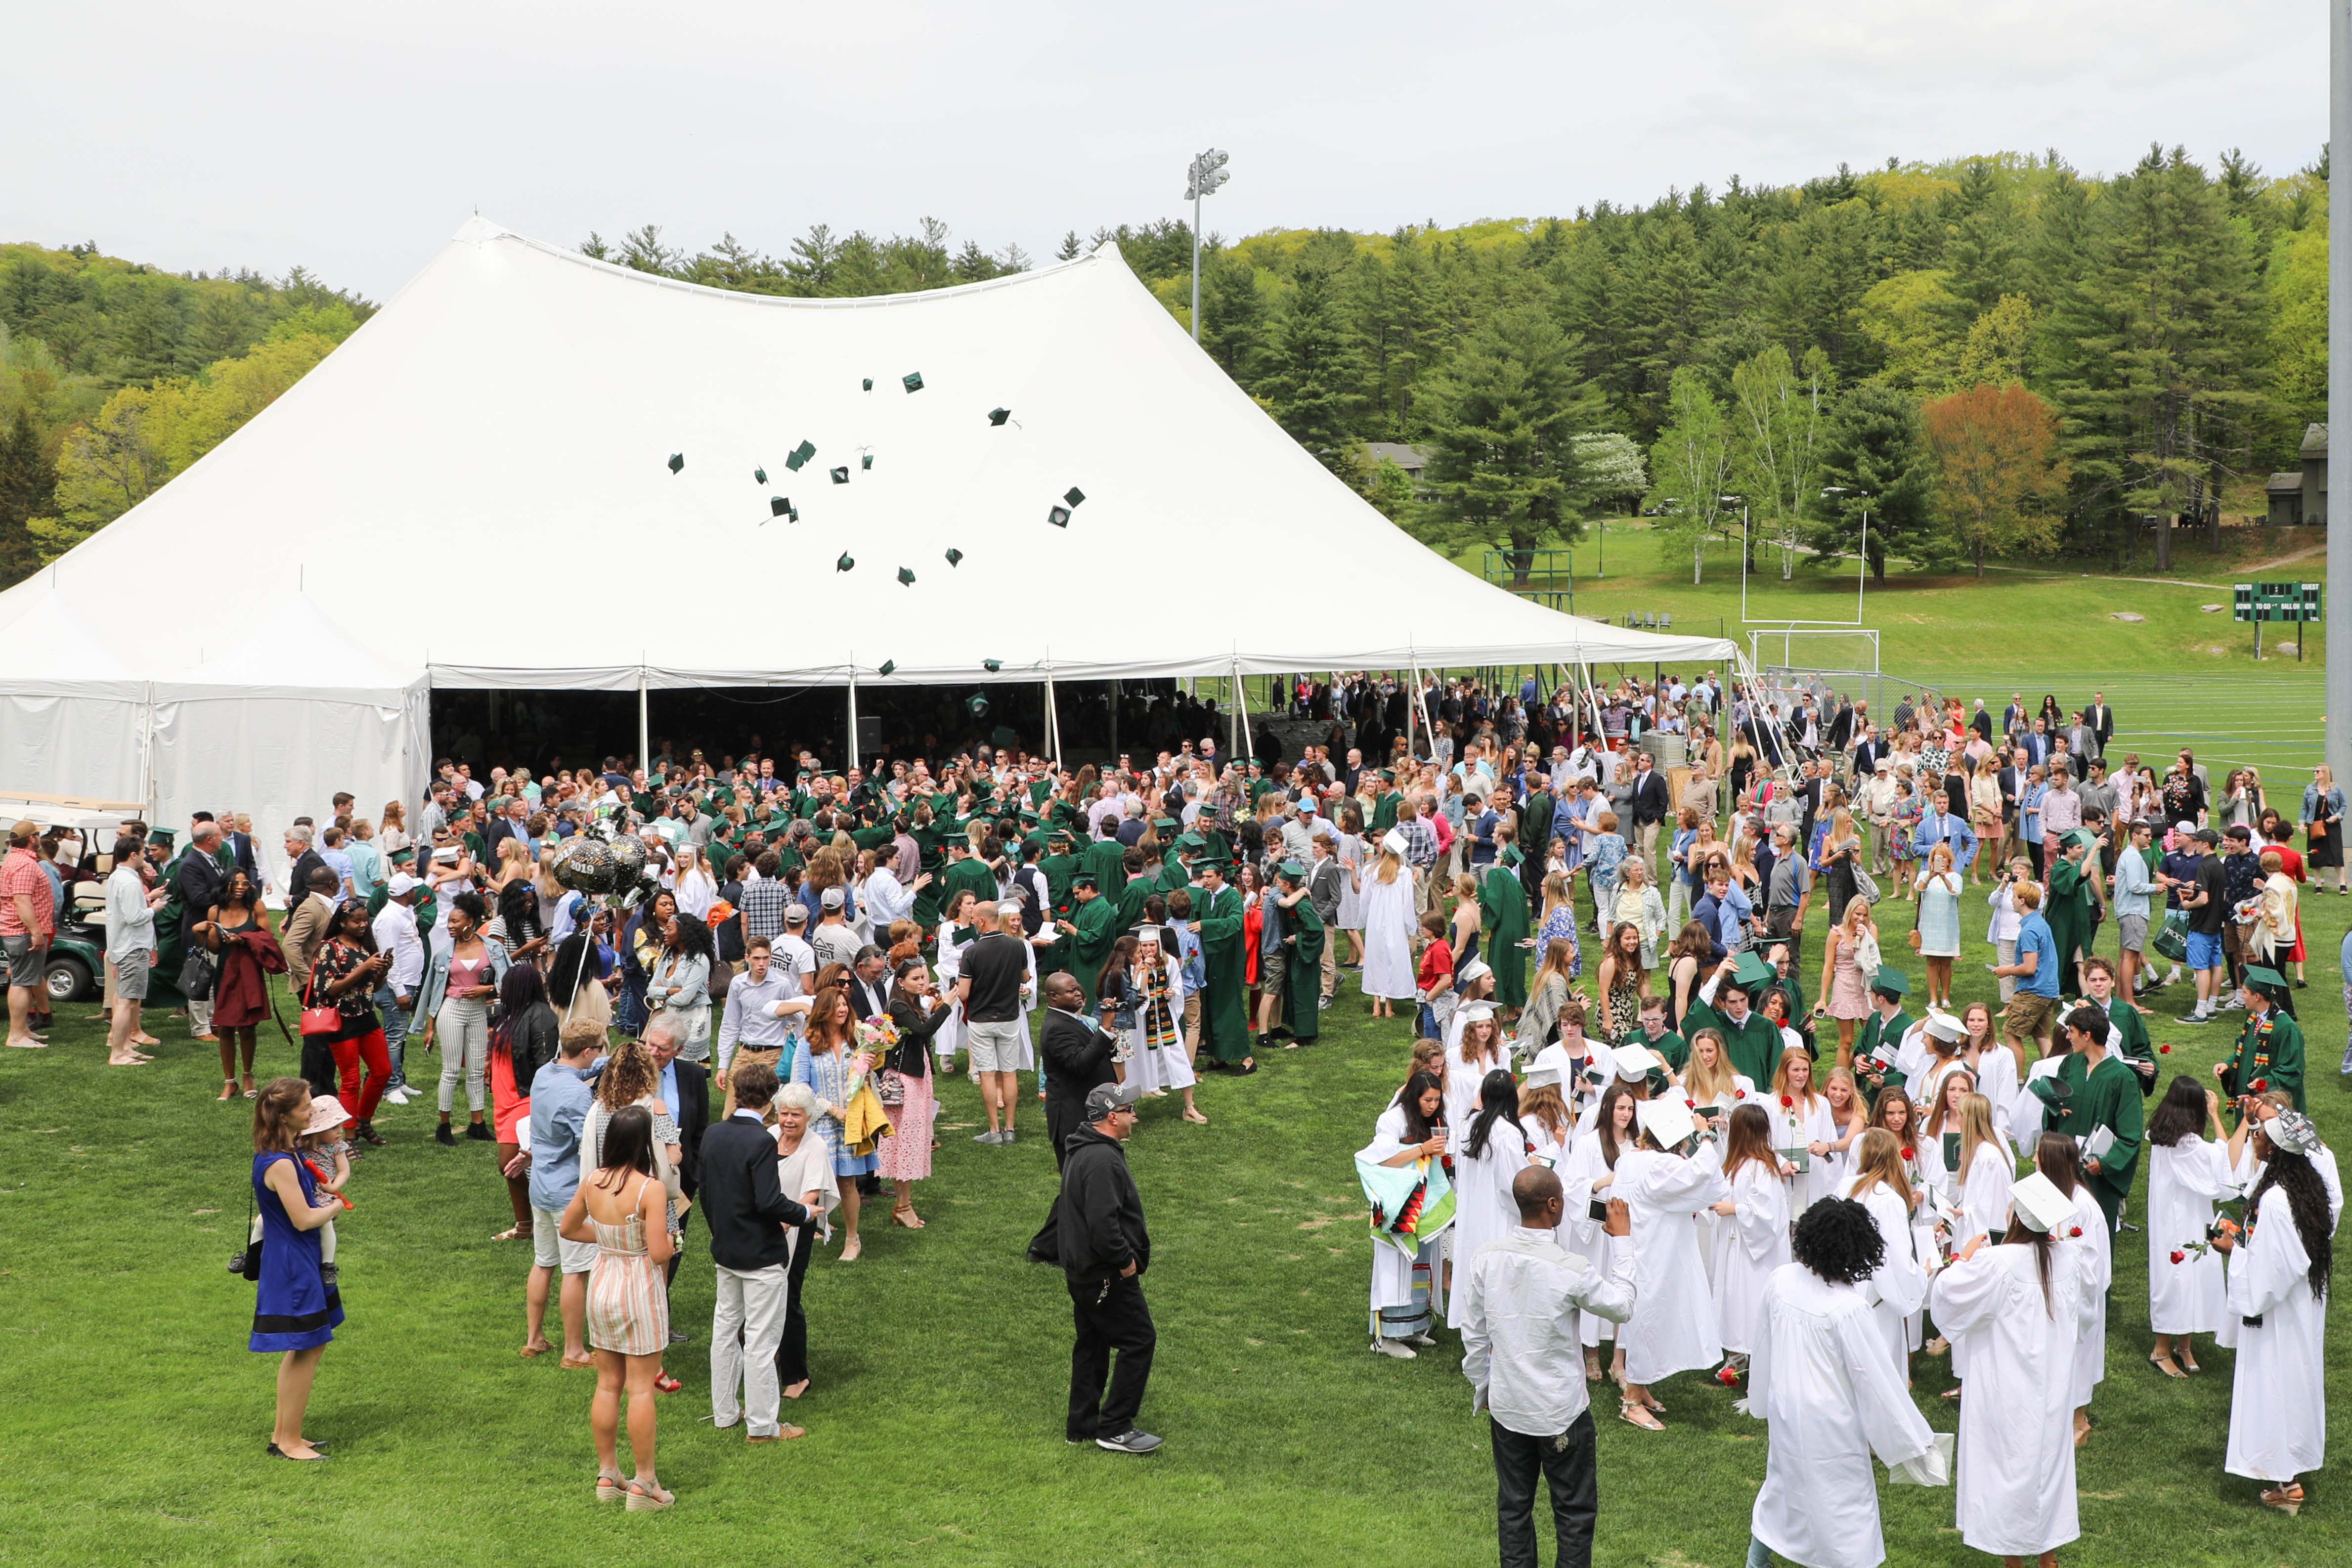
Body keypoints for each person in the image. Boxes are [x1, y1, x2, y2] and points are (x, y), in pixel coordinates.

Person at [1742, 1198, 1944, 1568]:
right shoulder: (1847, 1309)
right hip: (1831, 1425)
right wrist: (1915, 1441)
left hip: (1787, 1407)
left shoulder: (1782, 1279)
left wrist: (1763, 1398)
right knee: (1844, 1511)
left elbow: (1764, 1343)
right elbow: (1876, 1381)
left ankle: (1757, 1560)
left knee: (1782, 1485)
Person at [1457, 1166, 1636, 1568]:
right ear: (1553, 1205)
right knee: (1573, 1514)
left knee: (1514, 1509)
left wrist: (1484, 1386)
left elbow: (1473, 1333)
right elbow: (1623, 1306)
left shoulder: (1487, 1257)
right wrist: (1623, 1243)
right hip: (1560, 1412)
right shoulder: (1569, 1267)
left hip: (1508, 1407)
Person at [1927, 1171, 2091, 1566]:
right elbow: (2082, 1319)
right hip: (2051, 1386)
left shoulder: (1994, 1263)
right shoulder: (2069, 1260)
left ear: (2015, 1217)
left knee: (2005, 1466)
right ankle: (2047, 1557)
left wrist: (1963, 1257)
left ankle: (2013, 1560)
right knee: (2047, 1466)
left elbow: (1948, 1298)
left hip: (2006, 1386)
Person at [2212, 1108, 2332, 1515]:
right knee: (2292, 1383)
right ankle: (2288, 1472)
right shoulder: (2302, 1186)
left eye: (2260, 1134)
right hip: (2298, 1307)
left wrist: (2235, 1252)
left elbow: (2275, 1270)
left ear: (2277, 1148)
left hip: (2280, 1312)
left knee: (2277, 1386)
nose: (2254, 1138)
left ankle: (2287, 1482)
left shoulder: (2280, 1199)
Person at [559, 1104, 677, 1509]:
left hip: (603, 1281)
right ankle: (645, 1483)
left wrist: (610, 1238)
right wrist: (669, 1244)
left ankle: (608, 1474)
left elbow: (569, 1228)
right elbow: (660, 1251)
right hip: (638, 1286)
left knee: (607, 1385)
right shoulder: (651, 1188)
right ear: (644, 1142)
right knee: (641, 1387)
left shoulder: (593, 1180)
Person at [700, 1056, 817, 1445]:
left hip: (726, 1249)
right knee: (761, 1341)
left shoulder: (714, 1134)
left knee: (725, 1331)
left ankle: (724, 1412)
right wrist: (804, 1212)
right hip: (762, 1255)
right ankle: (764, 1426)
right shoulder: (760, 1141)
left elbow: (707, 1192)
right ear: (769, 1100)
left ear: (735, 1092)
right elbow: (770, 1201)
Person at [1046, 1080, 1160, 1454]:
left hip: (1084, 1272)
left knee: (1092, 1345)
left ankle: (1081, 1426)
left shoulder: (1085, 1150)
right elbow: (1104, 1225)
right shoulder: (1101, 1160)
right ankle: (1115, 1427)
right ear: (1112, 1117)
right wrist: (1126, 1263)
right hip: (1105, 1274)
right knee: (1139, 1339)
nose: (1134, 1117)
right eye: (1129, 1111)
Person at [1607, 1098, 1727, 1429]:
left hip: (1646, 1247)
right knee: (1651, 1320)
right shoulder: (1659, 1165)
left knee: (1650, 1319)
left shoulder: (1632, 1159)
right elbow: (1702, 1172)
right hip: (1655, 1253)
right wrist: (1707, 1137)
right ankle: (1631, 1400)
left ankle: (1641, 1386)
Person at [247, 1077, 347, 1462]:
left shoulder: (284, 1153)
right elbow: (304, 1219)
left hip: (297, 1259)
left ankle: (286, 1434)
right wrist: (336, 1207)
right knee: (307, 1346)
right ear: (285, 1116)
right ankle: (288, 1441)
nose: (312, 1112)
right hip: (293, 1265)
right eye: (305, 1108)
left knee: (309, 1345)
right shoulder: (280, 1164)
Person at [517, 1019, 607, 1368]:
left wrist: (609, 1061)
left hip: (539, 1184)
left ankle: (534, 1339)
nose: (601, 1054)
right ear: (587, 1050)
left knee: (543, 1262)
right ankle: (575, 1351)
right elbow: (587, 1143)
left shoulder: (546, 1073)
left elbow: (583, 1070)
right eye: (600, 1049)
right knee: (576, 1271)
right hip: (568, 1191)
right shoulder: (577, 1095)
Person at [2143, 1075, 2235, 1378]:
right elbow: (2226, 1159)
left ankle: (2184, 1345)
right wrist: (2215, 1114)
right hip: (2182, 1219)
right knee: (2177, 1277)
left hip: (2179, 1217)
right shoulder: (2190, 1145)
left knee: (2189, 1276)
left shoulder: (2161, 1135)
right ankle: (2161, 1350)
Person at [1362, 1068, 1451, 1358]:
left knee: (1420, 1264)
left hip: (1422, 1206)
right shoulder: (1392, 1120)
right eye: (1427, 1100)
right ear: (1414, 1098)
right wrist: (1423, 1149)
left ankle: (1414, 1326)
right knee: (1395, 1266)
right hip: (1397, 1207)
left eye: (1437, 1100)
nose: (1433, 1106)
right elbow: (1384, 1160)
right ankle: (1385, 1336)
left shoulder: (1434, 1120)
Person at [1710, 1103, 1791, 1376]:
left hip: (1755, 1250)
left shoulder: (1763, 1168)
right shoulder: (1738, 1163)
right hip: (1736, 1241)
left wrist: (1733, 1209)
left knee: (1751, 1299)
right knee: (1734, 1297)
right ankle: (1737, 1353)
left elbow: (1766, 1212)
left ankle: (1759, 1358)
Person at [769, 1081, 833, 1401]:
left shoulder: (816, 1146)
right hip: (766, 1227)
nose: (789, 1121)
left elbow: (813, 1191)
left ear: (808, 1117)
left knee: (789, 1295)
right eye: (784, 1113)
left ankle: (797, 1375)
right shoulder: (767, 1138)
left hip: (798, 1225)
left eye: (796, 1114)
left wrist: (787, 1219)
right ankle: (770, 1354)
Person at [879, 955, 951, 1227]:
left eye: (924, 977)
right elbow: (922, 1031)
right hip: (904, 1081)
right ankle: (904, 1206)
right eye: (916, 978)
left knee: (909, 1142)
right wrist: (948, 1006)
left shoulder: (909, 1003)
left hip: (916, 1077)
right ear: (901, 982)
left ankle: (903, 1204)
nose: (922, 982)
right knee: (903, 1143)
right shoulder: (898, 1005)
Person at [958, 899, 1032, 1144]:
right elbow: (1025, 976)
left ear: (981, 920)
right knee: (1010, 1074)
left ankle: (994, 1131)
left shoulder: (972, 952)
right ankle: (1010, 1129)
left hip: (981, 1019)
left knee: (988, 1075)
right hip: (1010, 1017)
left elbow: (964, 993)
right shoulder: (1017, 946)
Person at [1121, 926, 1206, 1125]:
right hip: (1143, 1023)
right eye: (1144, 945)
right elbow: (1137, 994)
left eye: (1152, 945)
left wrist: (1172, 993)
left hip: (1165, 1018)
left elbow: (1176, 984)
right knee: (1136, 1062)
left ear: (1159, 946)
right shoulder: (1135, 966)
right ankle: (1127, 1108)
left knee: (1178, 1058)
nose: (1148, 949)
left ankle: (1190, 1107)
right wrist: (1145, 970)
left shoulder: (1169, 964)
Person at [1453, 1069, 1531, 1264]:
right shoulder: (1508, 1133)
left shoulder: (1469, 1125)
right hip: (1498, 1213)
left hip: (1471, 1206)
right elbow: (1513, 1181)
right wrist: (1533, 1168)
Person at [102, 835, 167, 1067]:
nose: (146, 856)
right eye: (143, 852)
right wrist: (155, 909)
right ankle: (118, 1053)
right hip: (132, 947)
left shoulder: (118, 877)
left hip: (124, 945)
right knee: (127, 1002)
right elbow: (134, 917)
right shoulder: (129, 881)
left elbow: (126, 908)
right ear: (134, 854)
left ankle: (125, 1047)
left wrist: (149, 897)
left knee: (126, 999)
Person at [2219, 965, 2305, 1112]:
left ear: (2257, 997)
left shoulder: (2286, 1029)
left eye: (2245, 992)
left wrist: (2266, 1082)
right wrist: (2228, 1064)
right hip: (2248, 1095)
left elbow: (2292, 1071)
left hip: (2271, 1106)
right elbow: (2243, 1049)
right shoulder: (2253, 1019)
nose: (2242, 996)